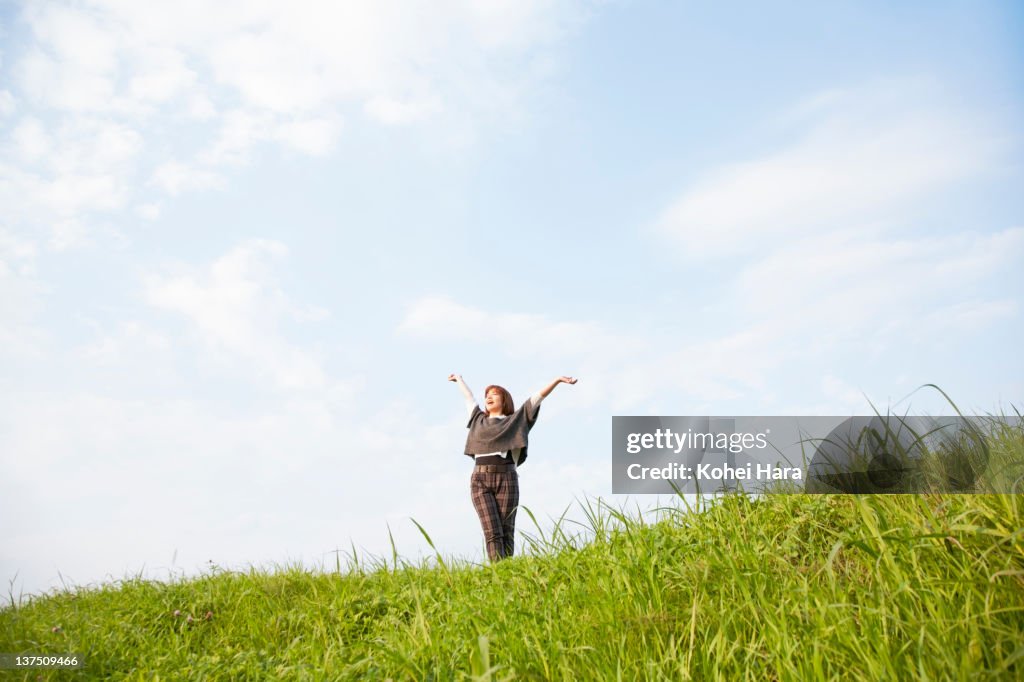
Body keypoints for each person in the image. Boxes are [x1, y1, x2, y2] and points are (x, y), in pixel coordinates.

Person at [448, 373, 578, 561]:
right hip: (480, 481)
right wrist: (459, 379)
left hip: (507, 479)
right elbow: (469, 397)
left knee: (506, 530)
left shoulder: (516, 421)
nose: (489, 397)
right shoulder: (477, 418)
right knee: (492, 531)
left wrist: (557, 380)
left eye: (494, 394)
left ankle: (509, 573)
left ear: (505, 400)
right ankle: (498, 574)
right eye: (487, 395)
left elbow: (536, 398)